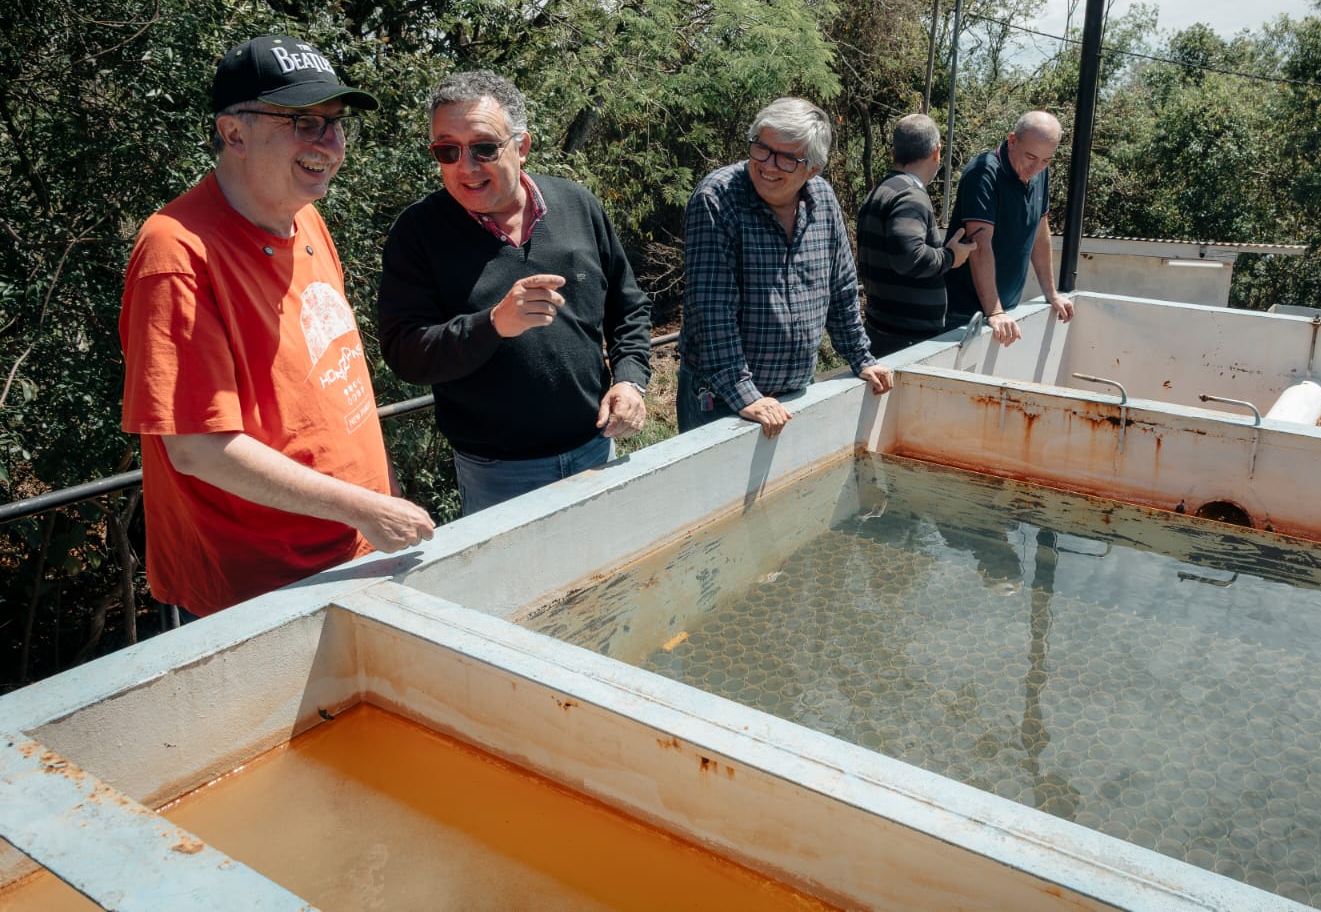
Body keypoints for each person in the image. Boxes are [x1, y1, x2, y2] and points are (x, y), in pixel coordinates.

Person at [119, 33, 435, 619]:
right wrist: (363, 507)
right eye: (306, 122)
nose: (332, 143)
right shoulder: (176, 252)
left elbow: (341, 381)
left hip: (351, 550)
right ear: (233, 132)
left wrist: (377, 496)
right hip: (262, 592)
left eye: (338, 123)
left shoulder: (306, 218)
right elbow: (198, 449)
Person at [378, 70, 652, 515]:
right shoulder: (418, 233)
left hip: (595, 448)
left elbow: (629, 307)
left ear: (521, 147)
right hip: (497, 473)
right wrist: (492, 325)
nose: (465, 166)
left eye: (484, 148)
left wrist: (629, 380)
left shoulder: (577, 205)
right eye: (447, 150)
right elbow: (405, 353)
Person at [678, 97, 893, 438]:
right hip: (723, 395)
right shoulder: (717, 198)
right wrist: (745, 393)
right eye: (761, 148)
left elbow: (841, 287)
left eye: (787, 158)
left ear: (813, 169)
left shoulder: (822, 199)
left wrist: (861, 357)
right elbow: (711, 311)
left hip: (795, 390)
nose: (768, 165)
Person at [943, 110, 1075, 346]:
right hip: (965, 313)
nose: (1036, 168)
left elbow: (1040, 232)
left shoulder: (1040, 174)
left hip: (1005, 310)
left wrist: (1051, 293)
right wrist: (995, 311)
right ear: (1012, 140)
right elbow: (980, 246)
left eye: (1046, 161)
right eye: (1031, 157)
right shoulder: (983, 173)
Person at [855, 113, 979, 356]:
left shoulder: (881, 190)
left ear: (894, 154)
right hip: (906, 338)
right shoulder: (910, 197)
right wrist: (951, 256)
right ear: (936, 152)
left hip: (883, 327)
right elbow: (909, 258)